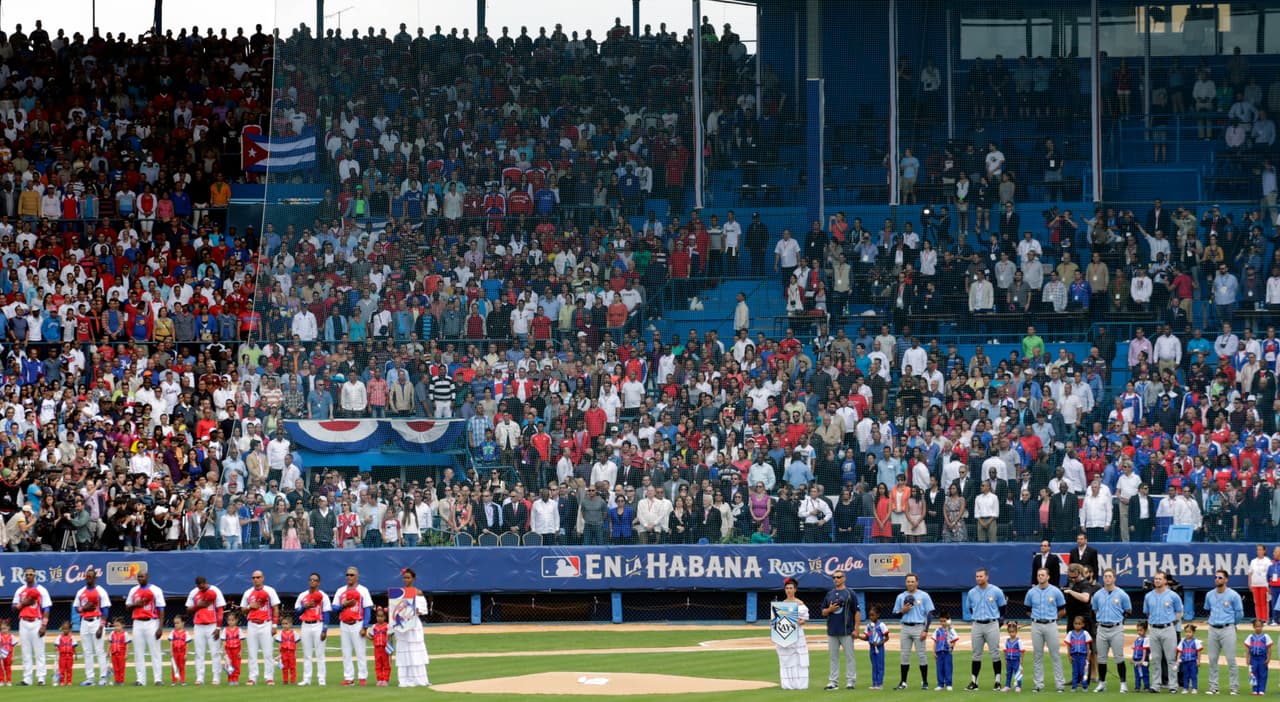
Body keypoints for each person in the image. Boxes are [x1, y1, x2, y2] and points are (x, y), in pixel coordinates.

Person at [1024, 566, 1067, 692]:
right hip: (1036, 625)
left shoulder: (1055, 591)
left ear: (1048, 577)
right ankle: (1038, 684)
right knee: (1037, 655)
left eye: (1043, 575)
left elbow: (1062, 609)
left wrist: (1053, 619)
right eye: (1038, 575)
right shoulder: (1031, 592)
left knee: (1055, 655)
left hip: (1051, 624)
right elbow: (1027, 610)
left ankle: (1060, 684)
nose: (1040, 577)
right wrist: (1036, 618)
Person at [1090, 567, 1132, 693]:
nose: (1107, 578)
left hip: (1116, 628)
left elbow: (1128, 610)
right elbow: (1095, 609)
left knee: (1118, 657)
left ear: (1114, 578)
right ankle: (1102, 682)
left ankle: (1123, 683)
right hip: (1102, 628)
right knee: (1101, 658)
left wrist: (1119, 620)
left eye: (1110, 576)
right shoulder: (1098, 594)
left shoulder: (1122, 594)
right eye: (1105, 576)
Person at [965, 567, 1007, 691]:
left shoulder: (996, 590)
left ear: (987, 577)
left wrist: (998, 621)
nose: (978, 578)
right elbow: (970, 608)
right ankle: (974, 682)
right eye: (977, 576)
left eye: (981, 576)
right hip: (977, 624)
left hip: (992, 623)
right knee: (976, 654)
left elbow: (1003, 608)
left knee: (995, 653)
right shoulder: (972, 592)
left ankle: (997, 681)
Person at [1203, 568, 1243, 694]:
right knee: (1212, 658)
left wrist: (1233, 624)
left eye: (1220, 577)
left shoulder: (1233, 595)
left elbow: (1239, 613)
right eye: (1216, 577)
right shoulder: (1209, 594)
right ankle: (1213, 687)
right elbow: (1208, 609)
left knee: (1231, 659)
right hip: (1213, 628)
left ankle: (1234, 688)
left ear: (1226, 580)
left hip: (1227, 628)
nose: (1217, 579)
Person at [1142, 570, 1184, 693]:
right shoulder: (1149, 596)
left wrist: (1172, 622)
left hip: (1168, 628)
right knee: (1155, 658)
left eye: (1160, 579)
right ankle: (1155, 685)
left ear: (1165, 581)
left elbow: (1179, 612)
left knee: (1171, 658)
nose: (1157, 581)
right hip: (1154, 628)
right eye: (1155, 579)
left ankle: (1173, 685)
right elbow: (1147, 612)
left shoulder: (1173, 595)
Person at [332, 566, 374, 685]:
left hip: (357, 623)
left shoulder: (363, 590)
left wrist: (365, 627)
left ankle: (362, 677)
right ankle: (349, 677)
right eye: (347, 575)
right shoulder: (340, 590)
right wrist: (343, 605)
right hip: (344, 624)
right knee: (346, 652)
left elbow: (367, 609)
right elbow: (334, 607)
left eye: (352, 575)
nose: (349, 577)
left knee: (360, 652)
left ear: (357, 576)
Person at [893, 573, 935, 690]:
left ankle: (925, 682)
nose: (910, 583)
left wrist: (925, 630)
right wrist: (903, 610)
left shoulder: (924, 595)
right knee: (904, 655)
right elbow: (895, 614)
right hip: (905, 627)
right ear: (905, 582)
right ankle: (903, 682)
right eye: (908, 581)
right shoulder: (901, 597)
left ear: (917, 582)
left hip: (918, 627)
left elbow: (929, 614)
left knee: (921, 655)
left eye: (912, 581)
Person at [389, 567, 430, 687]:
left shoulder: (418, 592)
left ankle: (419, 679)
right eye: (404, 578)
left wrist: (416, 610)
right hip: (402, 625)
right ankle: (405, 680)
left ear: (413, 578)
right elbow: (394, 608)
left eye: (408, 577)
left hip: (414, 624)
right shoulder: (399, 592)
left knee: (415, 650)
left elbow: (424, 610)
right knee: (403, 650)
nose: (406, 580)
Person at [11, 567, 51, 686]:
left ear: (35, 575)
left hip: (36, 622)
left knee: (39, 651)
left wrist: (44, 625)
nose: (28, 576)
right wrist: (22, 604)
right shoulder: (20, 590)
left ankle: (41, 677)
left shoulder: (41, 590)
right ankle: (27, 678)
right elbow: (13, 607)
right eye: (27, 574)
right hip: (23, 621)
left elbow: (46, 608)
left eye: (30, 574)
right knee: (25, 651)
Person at [184, 575, 227, 686]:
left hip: (212, 625)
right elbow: (188, 610)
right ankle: (199, 677)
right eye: (199, 587)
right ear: (197, 585)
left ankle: (216, 678)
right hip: (198, 626)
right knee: (199, 653)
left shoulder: (215, 590)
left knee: (215, 653)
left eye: (203, 586)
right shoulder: (194, 592)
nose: (201, 588)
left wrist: (218, 627)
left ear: (206, 582)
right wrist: (197, 606)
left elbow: (220, 610)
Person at [240, 570, 281, 685]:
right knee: (252, 653)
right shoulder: (248, 593)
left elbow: (275, 608)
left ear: (263, 578)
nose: (256, 580)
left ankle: (269, 677)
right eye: (253, 578)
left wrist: (274, 625)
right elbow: (242, 609)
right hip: (252, 624)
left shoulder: (270, 591)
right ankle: (252, 677)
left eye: (258, 577)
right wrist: (249, 607)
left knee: (268, 653)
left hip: (266, 623)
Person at [126, 570, 166, 686]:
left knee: (155, 652)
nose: (140, 578)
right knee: (138, 652)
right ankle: (140, 679)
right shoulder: (133, 590)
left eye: (142, 576)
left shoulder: (155, 590)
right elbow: (127, 606)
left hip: (152, 622)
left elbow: (161, 609)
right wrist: (135, 605)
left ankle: (158, 679)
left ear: (147, 577)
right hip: (137, 622)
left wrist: (160, 627)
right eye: (138, 577)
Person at [74, 567, 111, 687]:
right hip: (84, 622)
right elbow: (76, 607)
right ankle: (90, 678)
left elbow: (105, 609)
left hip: (96, 621)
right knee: (87, 651)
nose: (88, 578)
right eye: (87, 576)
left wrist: (101, 627)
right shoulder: (80, 591)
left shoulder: (101, 591)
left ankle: (103, 677)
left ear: (95, 577)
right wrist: (83, 609)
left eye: (90, 576)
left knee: (99, 650)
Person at [821, 569, 858, 690]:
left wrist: (856, 629)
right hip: (832, 630)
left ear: (844, 578)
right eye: (834, 577)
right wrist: (829, 610)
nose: (836, 579)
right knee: (833, 657)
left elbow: (857, 611)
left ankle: (851, 681)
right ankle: (833, 682)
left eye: (838, 577)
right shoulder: (829, 594)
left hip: (846, 630)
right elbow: (823, 612)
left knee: (849, 656)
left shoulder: (849, 593)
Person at [294, 572, 331, 686]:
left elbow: (326, 613)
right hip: (306, 624)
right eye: (310, 580)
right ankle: (307, 678)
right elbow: (297, 611)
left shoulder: (323, 595)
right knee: (307, 654)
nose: (312, 582)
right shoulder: (302, 595)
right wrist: (304, 607)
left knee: (320, 654)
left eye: (315, 580)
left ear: (319, 582)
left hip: (318, 625)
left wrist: (324, 630)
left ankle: (321, 678)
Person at [773, 576, 810, 690]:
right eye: (787, 588)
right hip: (785, 634)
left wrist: (795, 622)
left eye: (791, 588)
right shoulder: (781, 604)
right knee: (786, 659)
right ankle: (787, 684)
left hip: (797, 634)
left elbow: (804, 620)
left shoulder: (800, 603)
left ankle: (800, 684)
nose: (789, 590)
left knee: (798, 659)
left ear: (795, 589)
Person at [862, 606, 890, 690]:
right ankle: (874, 683)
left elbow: (887, 637)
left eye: (873, 615)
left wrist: (879, 643)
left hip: (879, 648)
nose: (871, 617)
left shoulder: (881, 625)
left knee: (880, 666)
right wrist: (858, 637)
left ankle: (879, 684)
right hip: (872, 648)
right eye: (870, 615)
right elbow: (868, 637)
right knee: (874, 666)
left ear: (878, 615)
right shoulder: (869, 626)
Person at [932, 612, 960, 690]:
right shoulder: (937, 630)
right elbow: (935, 641)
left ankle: (949, 684)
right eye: (941, 621)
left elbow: (954, 640)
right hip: (939, 652)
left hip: (947, 653)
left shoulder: (951, 630)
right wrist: (934, 652)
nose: (942, 623)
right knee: (939, 669)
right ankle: (940, 684)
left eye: (944, 621)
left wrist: (951, 645)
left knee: (948, 668)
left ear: (948, 621)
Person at [1065, 616, 1092, 691]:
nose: (1077, 625)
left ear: (1083, 625)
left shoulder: (1085, 633)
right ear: (1073, 624)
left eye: (1079, 624)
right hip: (1074, 655)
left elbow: (1087, 645)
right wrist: (1069, 656)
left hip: (1083, 656)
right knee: (1075, 672)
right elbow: (1068, 646)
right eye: (1076, 623)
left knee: (1083, 672)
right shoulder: (1070, 633)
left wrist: (1088, 655)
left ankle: (1085, 686)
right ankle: (1074, 686)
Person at [1245, 619, 1272, 695]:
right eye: (1256, 626)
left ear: (1262, 627)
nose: (1258, 628)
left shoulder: (1266, 636)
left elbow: (1269, 649)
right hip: (1253, 658)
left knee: (1263, 674)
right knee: (1253, 674)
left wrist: (1268, 658)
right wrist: (1247, 658)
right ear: (1253, 627)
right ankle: (1254, 689)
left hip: (1262, 658)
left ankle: (1261, 690)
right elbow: (1247, 649)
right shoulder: (1250, 637)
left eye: (1259, 626)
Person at [1247, 544, 1271, 623]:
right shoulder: (1253, 561)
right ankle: (1259, 620)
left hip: (1264, 585)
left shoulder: (1268, 561)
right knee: (1257, 603)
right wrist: (1250, 584)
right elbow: (1250, 573)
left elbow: (1270, 574)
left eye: (1261, 550)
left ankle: (1265, 620)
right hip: (1255, 585)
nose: (1259, 551)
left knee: (1264, 603)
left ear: (1264, 551)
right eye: (1258, 550)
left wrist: (1269, 586)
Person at [1178, 624, 1202, 693]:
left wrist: (1198, 661)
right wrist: (1178, 659)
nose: (1187, 634)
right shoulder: (1182, 641)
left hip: (1193, 661)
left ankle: (1194, 688)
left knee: (1193, 675)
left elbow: (1199, 652)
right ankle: (1185, 688)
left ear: (1193, 633)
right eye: (1186, 632)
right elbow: (1180, 651)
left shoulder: (1196, 641)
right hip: (1185, 661)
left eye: (1189, 632)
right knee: (1185, 675)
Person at [370, 608, 391, 687]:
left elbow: (391, 635)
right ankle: (379, 679)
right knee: (378, 665)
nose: (380, 618)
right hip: (377, 648)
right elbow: (370, 635)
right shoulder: (374, 626)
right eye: (378, 616)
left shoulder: (388, 626)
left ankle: (385, 679)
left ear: (385, 617)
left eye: (381, 616)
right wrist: (372, 638)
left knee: (386, 664)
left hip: (385, 648)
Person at [1002, 621, 1025, 692]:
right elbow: (1005, 651)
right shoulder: (1006, 641)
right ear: (1008, 632)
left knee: (1018, 673)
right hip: (1009, 660)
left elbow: (1022, 651)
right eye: (1010, 632)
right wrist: (1005, 659)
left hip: (1016, 661)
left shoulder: (1019, 641)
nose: (1012, 633)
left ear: (1016, 632)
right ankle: (1007, 686)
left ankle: (1018, 686)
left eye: (1013, 632)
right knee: (1008, 674)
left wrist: (1021, 660)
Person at [107, 618, 130, 686]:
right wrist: (108, 651)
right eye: (115, 626)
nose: (116, 627)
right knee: (115, 668)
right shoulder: (112, 633)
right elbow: (110, 643)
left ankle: (121, 681)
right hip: (114, 653)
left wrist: (126, 654)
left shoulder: (125, 634)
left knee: (121, 668)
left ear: (122, 625)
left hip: (121, 653)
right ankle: (117, 680)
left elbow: (127, 644)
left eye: (118, 626)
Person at [275, 616, 298, 685]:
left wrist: (295, 653)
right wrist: (280, 654)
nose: (284, 625)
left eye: (286, 623)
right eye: (283, 624)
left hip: (291, 652)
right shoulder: (280, 633)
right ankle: (285, 680)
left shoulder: (294, 633)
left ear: (290, 624)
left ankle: (293, 680)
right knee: (284, 667)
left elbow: (296, 643)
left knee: (292, 667)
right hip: (284, 652)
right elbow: (279, 644)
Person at [222, 611, 243, 685]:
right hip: (228, 650)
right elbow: (224, 641)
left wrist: (240, 651)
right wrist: (224, 650)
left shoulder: (239, 630)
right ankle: (230, 679)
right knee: (229, 664)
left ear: (236, 620)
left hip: (236, 649)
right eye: (229, 620)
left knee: (237, 664)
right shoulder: (225, 630)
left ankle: (236, 678)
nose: (231, 622)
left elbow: (241, 642)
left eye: (232, 620)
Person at [54, 621, 76, 686]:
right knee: (61, 669)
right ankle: (62, 681)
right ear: (62, 629)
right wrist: (56, 648)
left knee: (69, 669)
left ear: (69, 629)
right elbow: (56, 645)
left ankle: (69, 681)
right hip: (62, 656)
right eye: (64, 629)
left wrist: (75, 655)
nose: (65, 630)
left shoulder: (72, 637)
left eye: (67, 629)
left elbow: (74, 647)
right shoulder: (59, 637)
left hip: (70, 656)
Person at [169, 615, 189, 686]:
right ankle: (174, 681)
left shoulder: (186, 633)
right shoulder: (172, 632)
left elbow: (187, 644)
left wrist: (186, 654)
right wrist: (171, 652)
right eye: (175, 623)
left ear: (183, 623)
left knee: (182, 666)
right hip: (175, 652)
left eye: (178, 623)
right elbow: (171, 643)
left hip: (182, 653)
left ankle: (182, 680)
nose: (176, 625)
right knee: (174, 667)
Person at [1132, 621, 1151, 691]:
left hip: (1143, 660)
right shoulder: (1136, 640)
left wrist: (1143, 659)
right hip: (1136, 659)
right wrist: (1132, 658)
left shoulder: (1146, 639)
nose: (1139, 632)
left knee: (1145, 673)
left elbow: (1145, 650)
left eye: (1141, 630)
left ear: (1145, 630)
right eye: (1138, 630)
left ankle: (1146, 686)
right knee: (1137, 674)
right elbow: (1134, 650)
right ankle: (1137, 687)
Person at [0, 620, 14, 685]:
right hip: (1, 654)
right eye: (2, 629)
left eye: (5, 628)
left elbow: (13, 646)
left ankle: (9, 681)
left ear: (8, 628)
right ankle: (1, 680)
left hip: (9, 654)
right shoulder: (0, 636)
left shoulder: (12, 636)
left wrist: (12, 656)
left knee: (8, 668)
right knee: (1, 668)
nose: (3, 630)